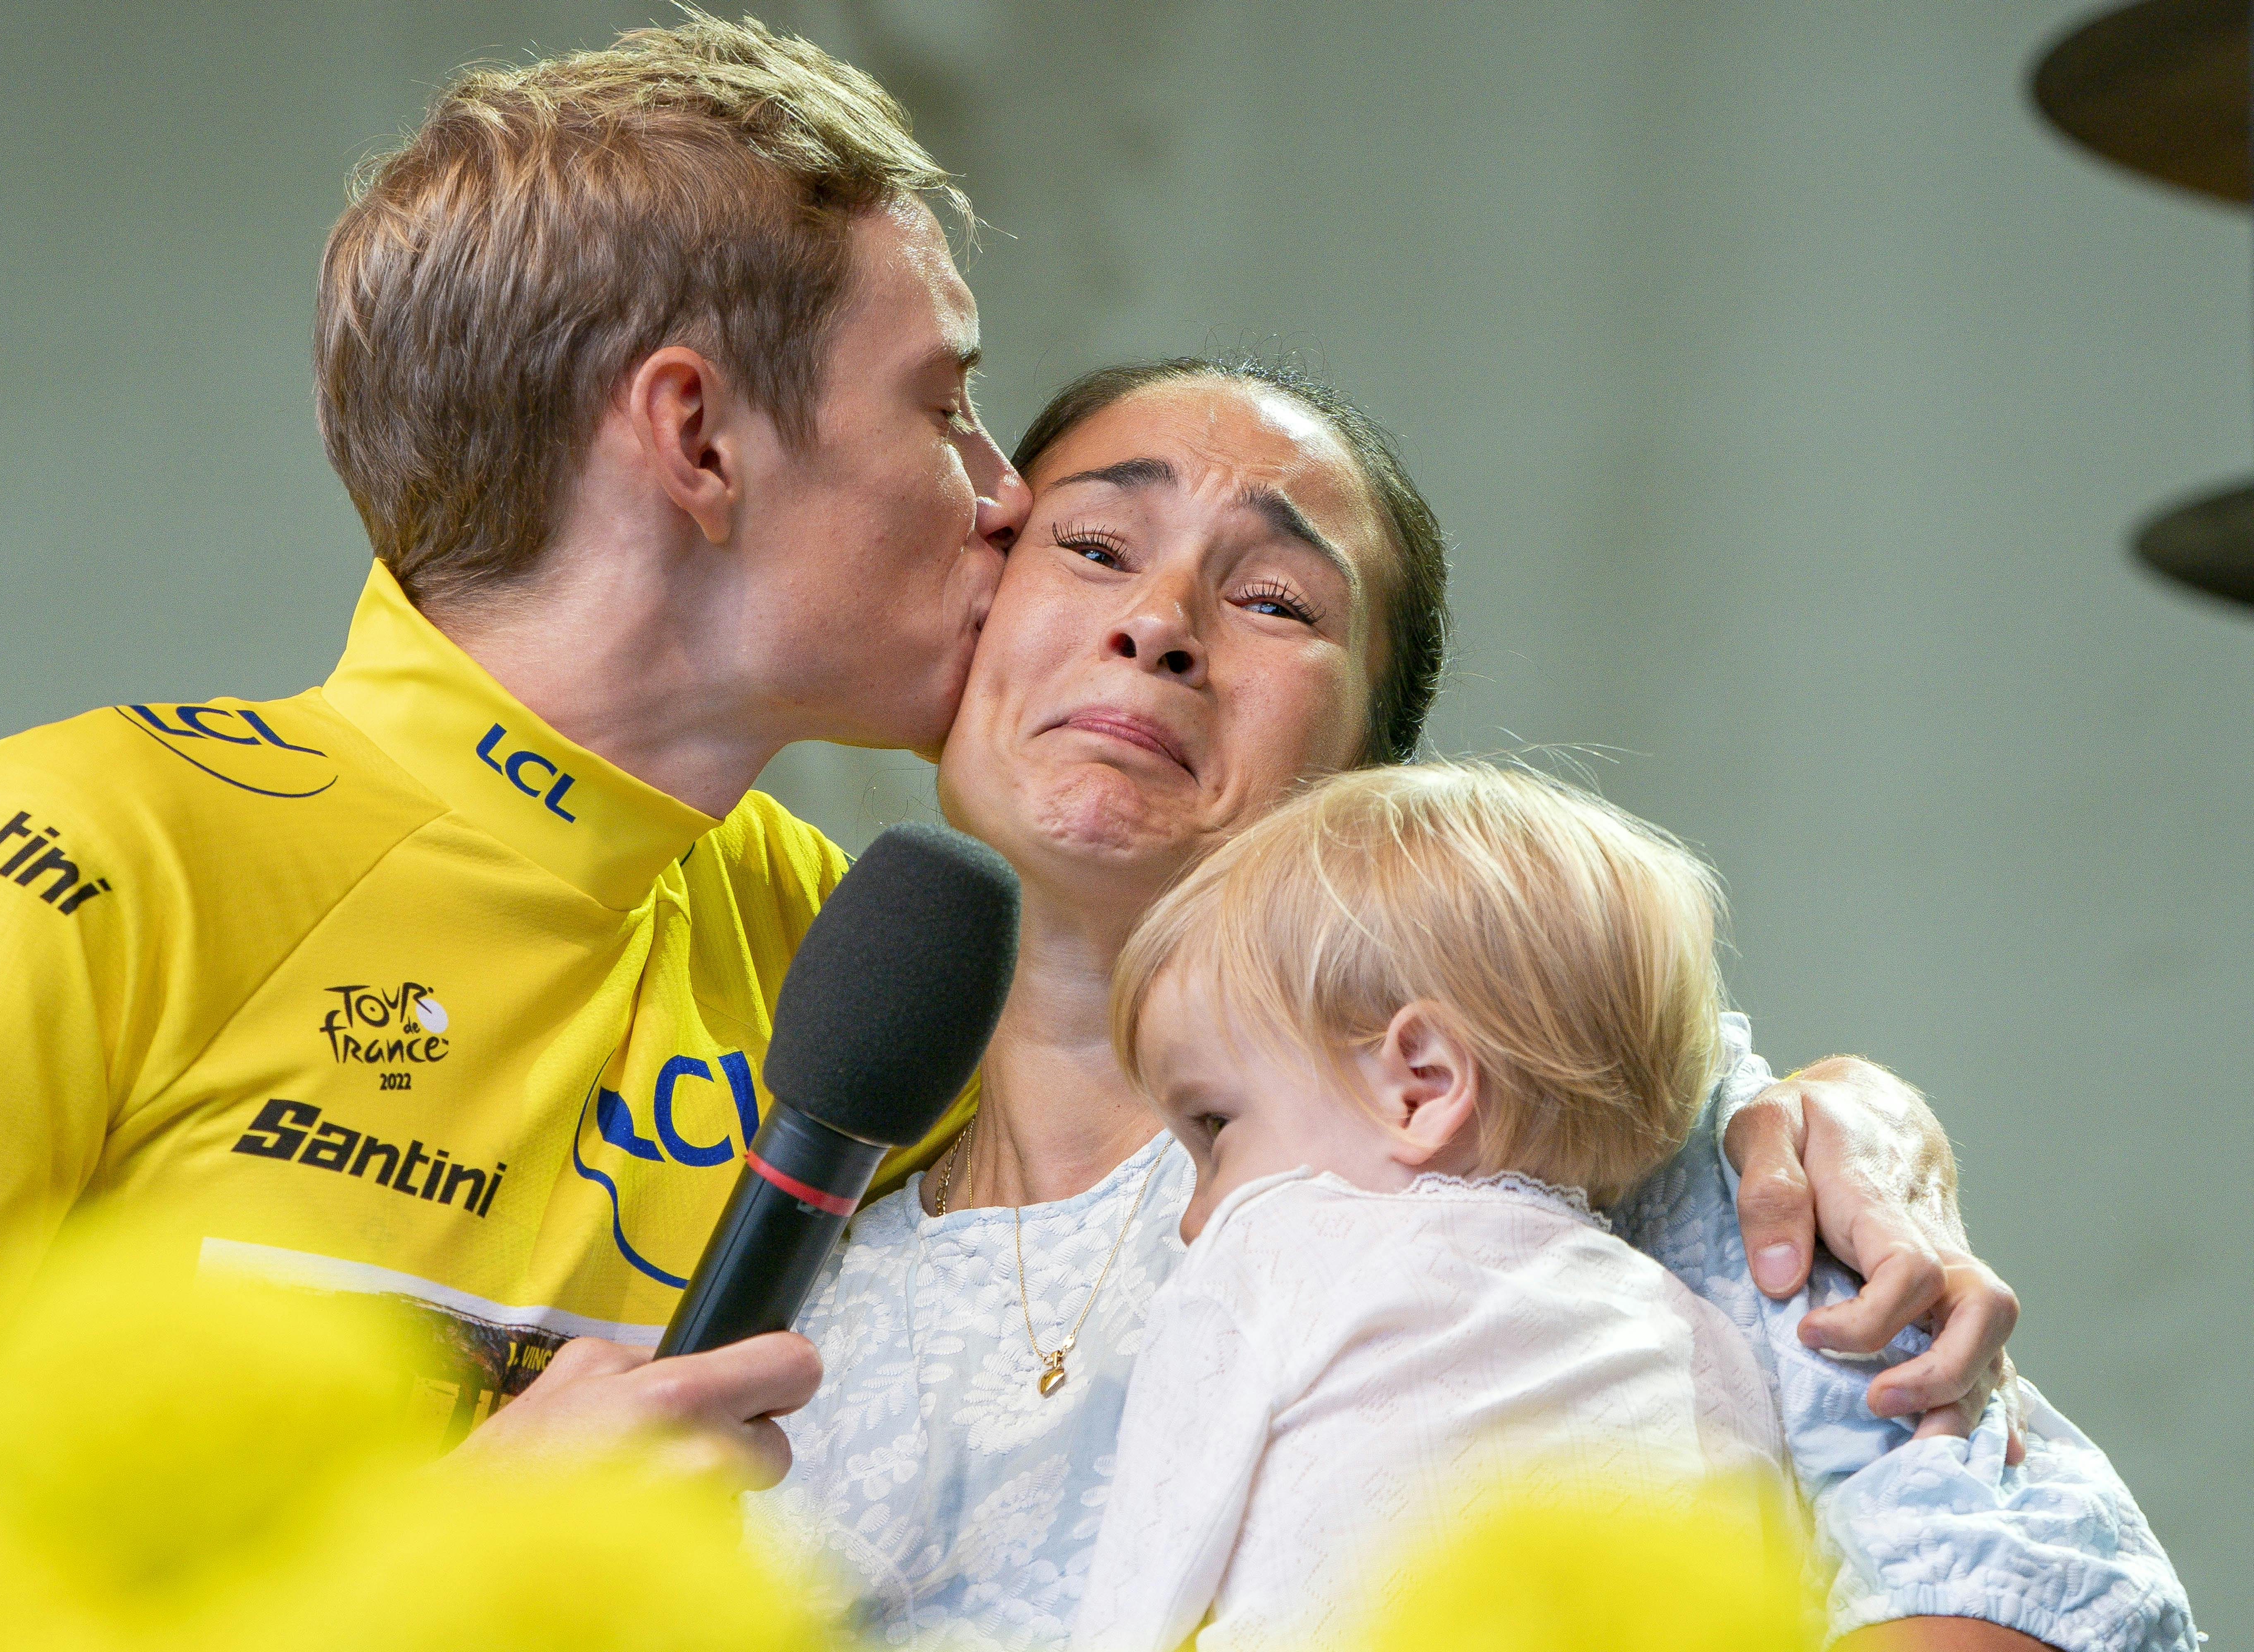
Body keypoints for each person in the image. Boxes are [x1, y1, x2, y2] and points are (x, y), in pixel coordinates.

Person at [0, 15, 2034, 1650]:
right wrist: (399, 1583)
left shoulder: (874, 961)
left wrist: (1823, 1121)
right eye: (955, 415)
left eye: (1261, 598)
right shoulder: (86, 846)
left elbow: (1404, 1038)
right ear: (697, 437)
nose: (997, 508)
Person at [760, 358, 2195, 1652]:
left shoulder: (1549, 1124)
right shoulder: (789, 1258)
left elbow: (2023, 1572)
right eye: (1093, 548)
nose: (1159, 624)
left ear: (1371, 772)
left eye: (1275, 600)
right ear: (972, 608)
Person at [1075, 760, 1833, 1651]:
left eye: (1215, 1126)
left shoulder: (1266, 1252)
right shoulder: (1712, 1344)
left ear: (1423, 1083)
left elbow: (1139, 1597)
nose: (1194, 1214)